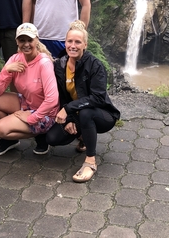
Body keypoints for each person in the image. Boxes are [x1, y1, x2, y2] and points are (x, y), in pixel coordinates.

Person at [46, 20, 120, 183]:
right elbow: (63, 96)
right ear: (65, 43)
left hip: (102, 114)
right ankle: (83, 136)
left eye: (77, 42)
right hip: (76, 114)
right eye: (69, 41)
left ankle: (90, 161)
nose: (73, 45)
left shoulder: (95, 65)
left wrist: (68, 110)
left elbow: (98, 98)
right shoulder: (60, 65)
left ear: (85, 45)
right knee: (52, 138)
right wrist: (70, 119)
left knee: (87, 114)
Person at [0, 23, 58, 156]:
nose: (26, 44)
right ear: (16, 42)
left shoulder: (44, 63)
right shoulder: (15, 59)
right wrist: (6, 71)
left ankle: (41, 135)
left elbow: (52, 100)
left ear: (37, 40)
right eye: (22, 40)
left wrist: (32, 118)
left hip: (46, 113)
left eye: (30, 40)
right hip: (27, 103)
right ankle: (11, 140)